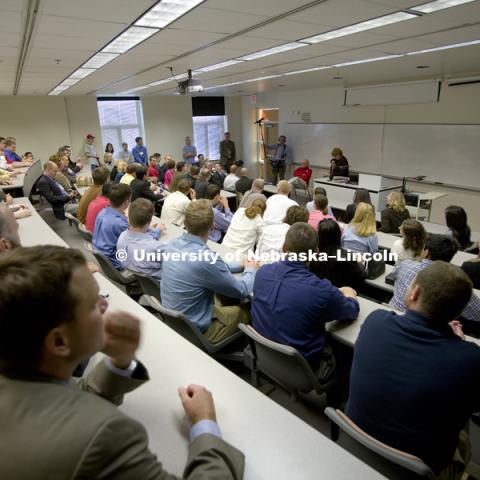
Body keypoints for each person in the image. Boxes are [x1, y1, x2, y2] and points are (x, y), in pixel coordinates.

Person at [0, 245, 245, 479]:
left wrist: (119, 363)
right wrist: (205, 424)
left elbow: (66, 397)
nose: (105, 303)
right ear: (59, 342)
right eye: (93, 303)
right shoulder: (104, 435)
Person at [347, 261, 480, 478]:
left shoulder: (375, 321)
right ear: (459, 312)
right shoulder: (471, 360)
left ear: (414, 293)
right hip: (417, 471)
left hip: (355, 443)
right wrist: (460, 348)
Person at [252, 222, 359, 371]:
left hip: (265, 358)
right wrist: (350, 295)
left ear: (284, 247)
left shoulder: (262, 272)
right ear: (315, 253)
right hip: (302, 370)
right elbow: (351, 311)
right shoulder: (322, 290)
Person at [162, 200, 259, 343]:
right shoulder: (207, 259)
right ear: (213, 226)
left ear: (185, 221)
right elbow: (242, 289)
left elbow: (212, 267)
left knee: (225, 297)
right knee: (251, 308)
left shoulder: (171, 245)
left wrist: (240, 264)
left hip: (175, 320)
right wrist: (251, 269)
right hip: (197, 330)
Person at [389, 234, 480, 324]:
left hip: (392, 314)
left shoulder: (405, 264)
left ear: (426, 252)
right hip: (425, 329)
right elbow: (477, 314)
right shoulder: (457, 284)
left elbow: (392, 276)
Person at [117, 199, 166, 281]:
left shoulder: (122, 237)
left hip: (135, 275)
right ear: (149, 221)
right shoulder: (156, 248)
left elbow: (141, 240)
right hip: (158, 282)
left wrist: (154, 231)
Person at [310, 219, 366, 291]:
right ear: (338, 235)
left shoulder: (313, 256)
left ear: (319, 236)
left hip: (320, 293)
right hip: (343, 295)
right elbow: (361, 275)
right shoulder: (348, 256)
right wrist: (359, 263)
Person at [92, 183, 132, 270]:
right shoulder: (120, 224)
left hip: (104, 258)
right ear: (126, 203)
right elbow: (137, 243)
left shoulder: (102, 212)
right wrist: (156, 231)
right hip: (116, 262)